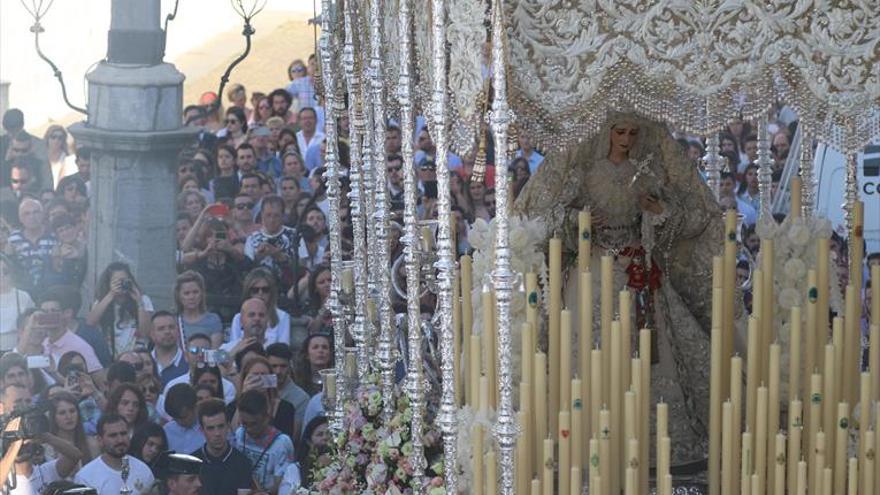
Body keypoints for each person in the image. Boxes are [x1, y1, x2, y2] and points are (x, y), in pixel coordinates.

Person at [515, 112, 725, 468]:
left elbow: (676, 216)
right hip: (593, 268)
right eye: (619, 132)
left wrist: (656, 211)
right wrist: (577, 222)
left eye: (631, 132)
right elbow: (548, 216)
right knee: (587, 345)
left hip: (636, 268)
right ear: (606, 134)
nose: (626, 139)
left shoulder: (644, 173)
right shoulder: (586, 173)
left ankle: (645, 436)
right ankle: (585, 432)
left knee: (645, 348)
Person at [74, 413, 155, 494]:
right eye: (113, 435)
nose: (120, 440)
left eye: (123, 434)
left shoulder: (143, 471)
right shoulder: (86, 478)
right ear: (100, 440)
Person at [232, 389, 295, 494]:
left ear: (266, 417)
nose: (248, 429)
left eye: (253, 424)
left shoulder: (282, 443)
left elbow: (281, 485)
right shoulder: (240, 434)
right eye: (244, 423)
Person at [87, 262, 154, 355]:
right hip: (109, 355)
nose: (121, 284)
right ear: (108, 283)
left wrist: (139, 302)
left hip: (136, 355)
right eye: (116, 281)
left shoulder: (143, 299)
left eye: (123, 280)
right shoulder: (102, 301)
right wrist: (111, 294)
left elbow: (145, 333)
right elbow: (90, 323)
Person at [192, 398, 254, 495]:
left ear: (228, 426)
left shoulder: (242, 463)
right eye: (210, 428)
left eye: (221, 426)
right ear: (201, 430)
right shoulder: (192, 464)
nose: (217, 433)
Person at [227, 355, 297, 440]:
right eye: (255, 375)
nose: (260, 379)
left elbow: (285, 438)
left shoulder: (285, 408)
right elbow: (234, 433)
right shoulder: (232, 407)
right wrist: (244, 395)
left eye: (264, 375)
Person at [39, 287, 103, 374]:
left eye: (53, 311)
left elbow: (99, 379)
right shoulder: (42, 344)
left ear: (66, 313)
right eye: (44, 312)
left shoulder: (80, 346)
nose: (49, 315)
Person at [227, 270, 292, 348]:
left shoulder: (282, 316)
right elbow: (233, 346)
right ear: (248, 292)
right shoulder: (238, 318)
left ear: (271, 293)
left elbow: (283, 348)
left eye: (265, 290)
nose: (260, 293)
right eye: (255, 290)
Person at [7, 197, 57, 297]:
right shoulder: (13, 239)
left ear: (43, 215)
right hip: (23, 292)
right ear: (20, 218)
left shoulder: (54, 236)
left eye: (36, 212)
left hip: (50, 290)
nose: (32, 217)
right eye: (27, 213)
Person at [266, 343, 310, 438]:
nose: (278, 371)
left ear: (290, 366)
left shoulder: (302, 398)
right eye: (274, 366)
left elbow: (295, 436)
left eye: (283, 366)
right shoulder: (259, 390)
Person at [175, 270, 224, 348]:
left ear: (202, 293)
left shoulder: (213, 319)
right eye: (186, 293)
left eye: (195, 292)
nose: (191, 297)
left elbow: (215, 351)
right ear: (179, 296)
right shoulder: (174, 321)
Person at [48, 391, 98, 463]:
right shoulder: (49, 449)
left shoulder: (92, 443)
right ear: (53, 417)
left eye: (72, 411)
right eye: (62, 413)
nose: (69, 417)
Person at [0, 255, 34, 350]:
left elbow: (32, 323)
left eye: (5, 271)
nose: (2, 275)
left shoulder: (23, 296)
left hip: (18, 348)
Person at [164, 383, 206, 454]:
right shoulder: (167, 431)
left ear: (195, 407)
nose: (180, 422)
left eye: (184, 417)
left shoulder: (210, 428)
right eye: (176, 419)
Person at [150, 311, 189, 387]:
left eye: (171, 327)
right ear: (152, 334)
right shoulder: (144, 363)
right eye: (161, 329)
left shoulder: (189, 362)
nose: (167, 332)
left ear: (178, 331)